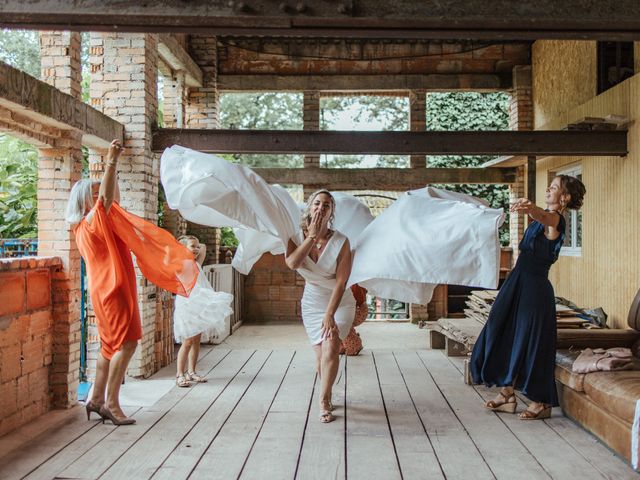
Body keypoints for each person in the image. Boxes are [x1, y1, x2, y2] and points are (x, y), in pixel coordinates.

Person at [66, 140, 199, 425]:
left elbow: (109, 197)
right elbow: (105, 199)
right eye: (94, 194)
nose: (103, 197)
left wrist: (111, 172)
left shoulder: (85, 227)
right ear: (85, 202)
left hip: (106, 290)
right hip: (114, 290)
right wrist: (111, 160)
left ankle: (96, 398)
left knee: (108, 346)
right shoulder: (92, 221)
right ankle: (112, 403)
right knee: (128, 343)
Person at [470, 174, 586, 419]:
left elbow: (545, 217)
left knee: (529, 341)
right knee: (500, 329)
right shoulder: (540, 218)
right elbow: (539, 216)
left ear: (564, 197)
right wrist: (532, 209)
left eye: (554, 188)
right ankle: (507, 394)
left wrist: (531, 208)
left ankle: (540, 402)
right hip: (517, 282)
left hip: (534, 289)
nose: (548, 189)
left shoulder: (556, 220)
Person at [285, 190, 355, 423]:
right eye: (317, 203)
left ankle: (324, 400)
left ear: (331, 211)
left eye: (327, 205)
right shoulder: (294, 236)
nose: (321, 208)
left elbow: (342, 281)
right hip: (313, 302)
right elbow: (293, 263)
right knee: (320, 357)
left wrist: (330, 315)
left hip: (339, 301)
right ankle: (328, 392)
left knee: (332, 345)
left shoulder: (342, 241)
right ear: (310, 207)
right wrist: (311, 237)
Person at [174, 235, 233, 387]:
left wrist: (194, 245)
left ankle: (192, 372)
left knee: (196, 341)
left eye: (197, 246)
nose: (197, 249)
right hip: (187, 305)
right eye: (192, 246)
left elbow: (204, 247)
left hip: (199, 305)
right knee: (187, 341)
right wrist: (183, 249)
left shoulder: (196, 263)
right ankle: (180, 374)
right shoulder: (180, 264)